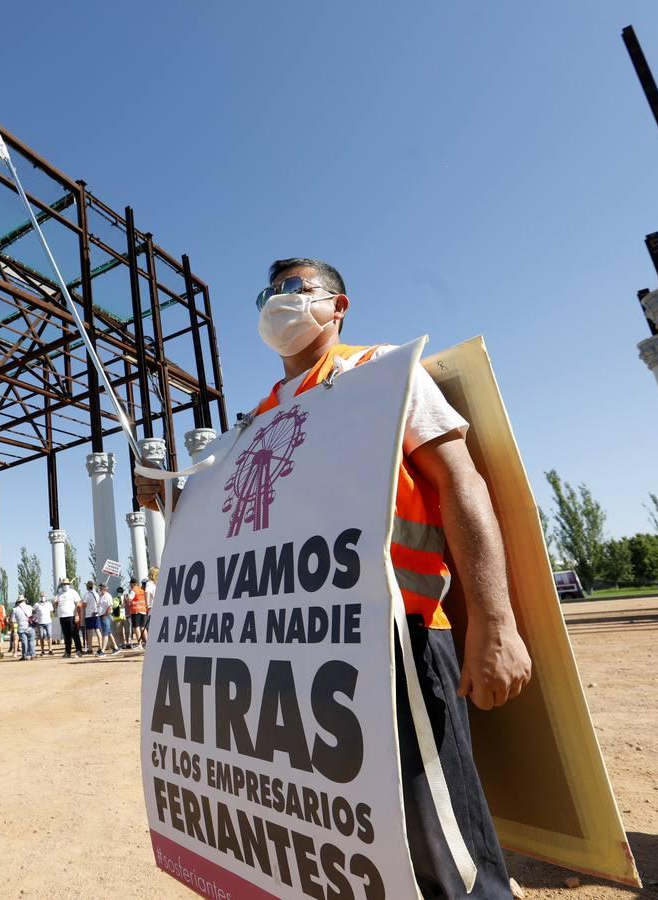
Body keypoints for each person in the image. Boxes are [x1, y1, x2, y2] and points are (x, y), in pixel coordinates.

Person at [135, 257, 532, 899]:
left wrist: (494, 622)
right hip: (297, 649)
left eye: (296, 289)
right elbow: (249, 527)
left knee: (438, 835)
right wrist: (173, 500)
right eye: (269, 291)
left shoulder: (379, 373)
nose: (277, 301)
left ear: (338, 305)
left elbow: (461, 483)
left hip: (396, 632)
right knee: (339, 827)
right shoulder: (259, 416)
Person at [54, 578, 84, 658]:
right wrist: (55, 602)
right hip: (62, 617)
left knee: (74, 634)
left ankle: (79, 651)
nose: (65, 586)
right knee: (66, 636)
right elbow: (56, 606)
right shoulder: (59, 594)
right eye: (64, 584)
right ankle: (67, 652)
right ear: (61, 585)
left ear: (69, 585)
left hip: (71, 616)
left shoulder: (73, 592)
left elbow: (78, 604)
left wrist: (77, 614)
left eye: (66, 584)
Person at [97, 581, 120, 654]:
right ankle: (115, 647)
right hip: (102, 616)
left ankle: (102, 650)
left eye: (101, 587)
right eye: (99, 587)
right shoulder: (101, 596)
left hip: (106, 616)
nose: (99, 589)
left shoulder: (108, 596)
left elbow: (110, 607)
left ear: (104, 588)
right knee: (109, 632)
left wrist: (105, 615)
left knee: (105, 633)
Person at [127, 578, 149, 647]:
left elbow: (129, 600)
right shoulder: (142, 590)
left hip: (135, 611)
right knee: (143, 627)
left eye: (130, 584)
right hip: (143, 610)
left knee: (136, 627)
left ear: (132, 584)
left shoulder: (133, 590)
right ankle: (147, 643)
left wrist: (126, 599)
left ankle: (139, 643)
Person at [12, 595, 35, 660]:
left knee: (24, 642)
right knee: (31, 641)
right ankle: (32, 655)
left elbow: (12, 620)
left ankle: (24, 656)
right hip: (30, 627)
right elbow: (34, 614)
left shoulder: (15, 609)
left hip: (21, 628)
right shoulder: (29, 607)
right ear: (24, 600)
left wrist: (15, 630)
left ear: (18, 601)